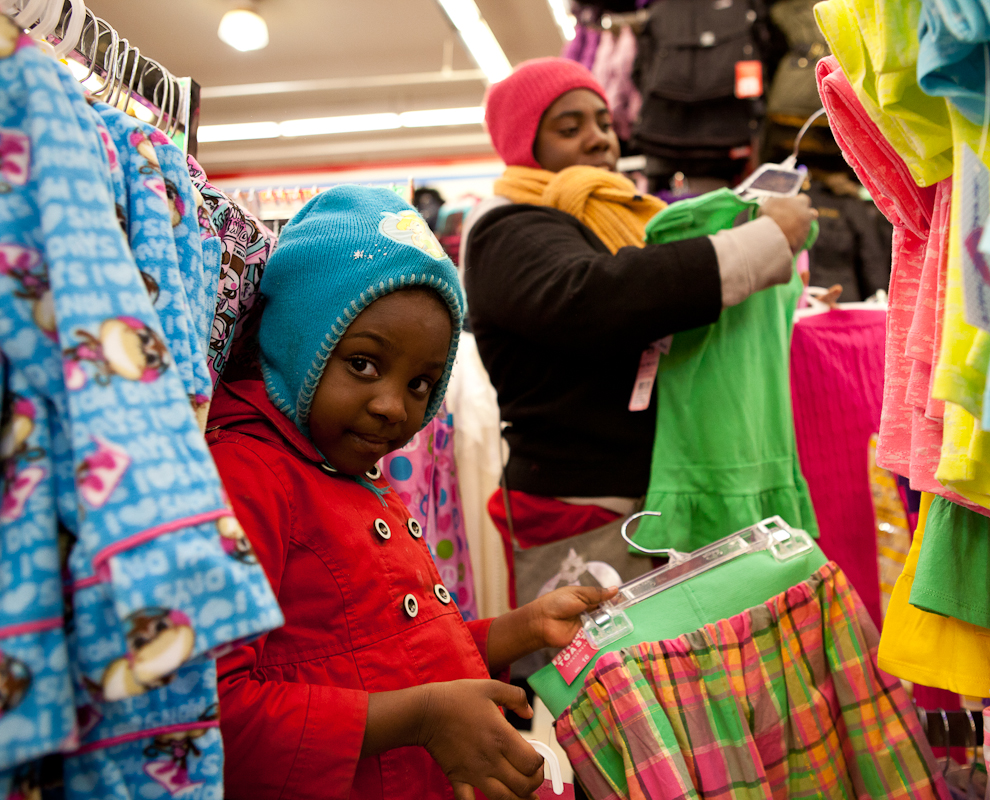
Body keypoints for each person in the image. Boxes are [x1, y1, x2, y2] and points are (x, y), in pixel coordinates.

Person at [207, 185, 614, 800]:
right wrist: (423, 717)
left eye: (422, 383)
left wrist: (521, 629)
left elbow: (390, 655)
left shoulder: (347, 469)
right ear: (298, 339)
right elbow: (210, 717)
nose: (392, 408)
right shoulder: (247, 477)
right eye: (364, 364)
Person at [461, 58, 821, 672]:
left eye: (602, 120)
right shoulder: (509, 227)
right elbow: (598, 297)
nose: (598, 136)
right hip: (586, 501)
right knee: (600, 689)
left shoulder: (616, 217)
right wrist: (762, 241)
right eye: (568, 126)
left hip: (647, 492)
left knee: (663, 687)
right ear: (526, 143)